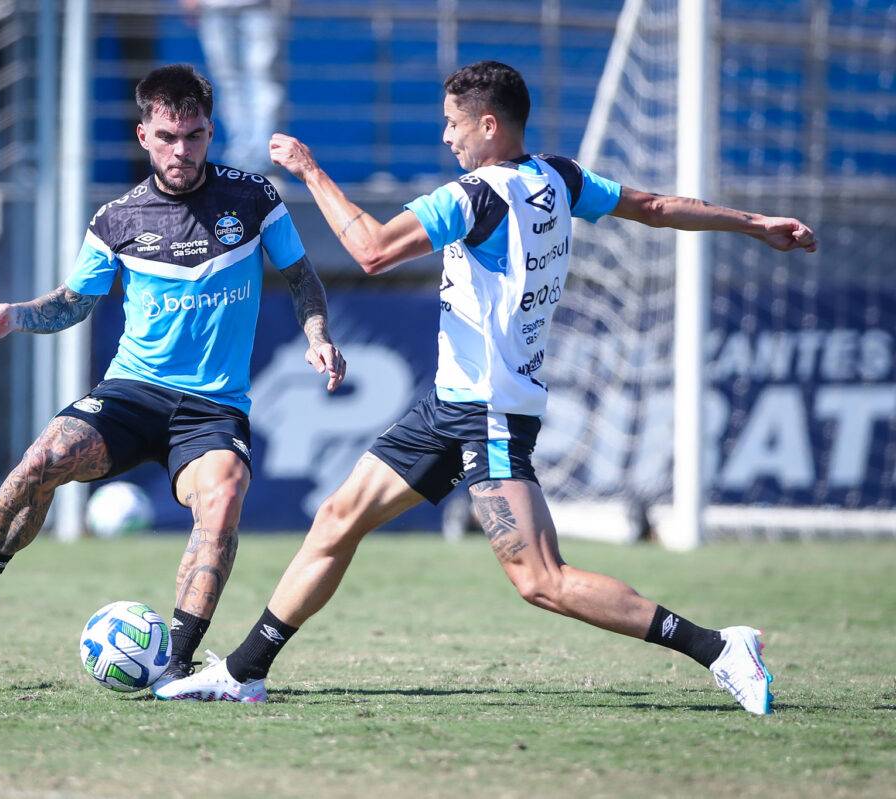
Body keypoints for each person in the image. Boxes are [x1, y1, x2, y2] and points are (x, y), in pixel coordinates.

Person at [156, 60, 817, 713]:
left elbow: (373, 250)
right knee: (338, 517)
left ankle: (719, 647)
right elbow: (653, 205)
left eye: (453, 124)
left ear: (489, 125)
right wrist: (753, 223)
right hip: (452, 406)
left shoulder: (474, 197)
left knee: (540, 579)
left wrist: (309, 171)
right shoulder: (560, 176)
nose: (447, 138)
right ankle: (244, 671)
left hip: (490, 414)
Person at [0, 64, 345, 691]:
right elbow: (75, 302)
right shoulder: (117, 220)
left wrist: (318, 336)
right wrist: (16, 314)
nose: (181, 150)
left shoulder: (254, 200)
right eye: (167, 136)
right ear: (143, 136)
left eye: (193, 135)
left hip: (212, 406)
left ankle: (178, 664)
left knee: (223, 496)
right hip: (132, 391)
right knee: (40, 460)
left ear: (210, 132)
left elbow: (302, 278)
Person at [181, 0, 282, 175]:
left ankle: (264, 164)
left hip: (259, 6)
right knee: (229, 85)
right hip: (214, 7)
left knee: (261, 82)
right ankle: (241, 164)